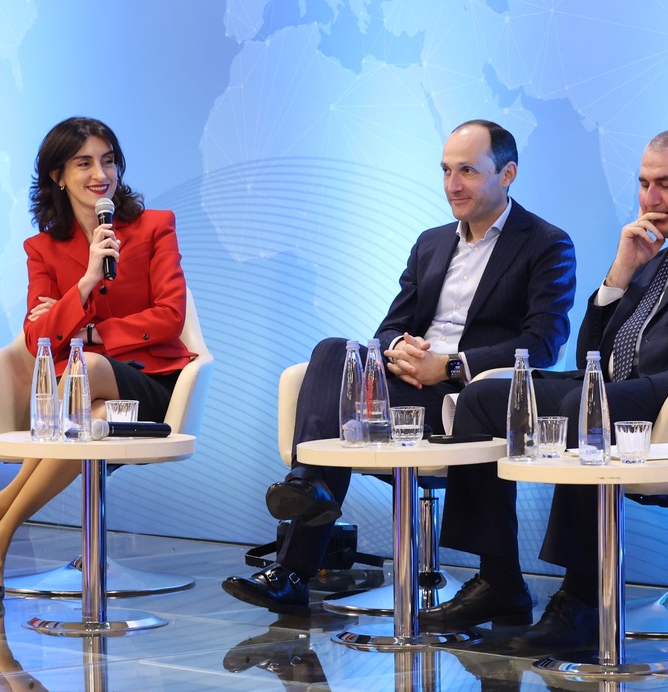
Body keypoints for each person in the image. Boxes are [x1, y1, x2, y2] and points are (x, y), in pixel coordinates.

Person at [424, 128, 668, 649]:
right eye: (643, 183)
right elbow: (591, 355)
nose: (650, 198)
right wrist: (620, 272)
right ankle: (500, 581)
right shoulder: (651, 253)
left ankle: (582, 599)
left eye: (665, 184)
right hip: (616, 388)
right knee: (483, 398)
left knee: (583, 407)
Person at [222, 119, 576, 613]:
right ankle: (306, 485)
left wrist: (448, 367)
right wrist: (398, 351)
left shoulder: (546, 243)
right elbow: (390, 326)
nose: (453, 185)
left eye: (468, 171)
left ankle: (294, 563)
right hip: (409, 382)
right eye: (446, 170)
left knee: (340, 411)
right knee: (333, 349)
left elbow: (543, 344)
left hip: (470, 398)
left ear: (508, 173)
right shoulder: (431, 242)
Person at [0, 117, 194, 601]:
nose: (101, 174)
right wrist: (87, 281)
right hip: (86, 400)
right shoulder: (42, 249)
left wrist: (87, 329)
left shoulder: (155, 226)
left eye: (108, 161)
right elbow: (38, 338)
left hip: (155, 383)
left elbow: (169, 317)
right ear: (57, 175)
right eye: (84, 163)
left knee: (86, 367)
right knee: (90, 412)